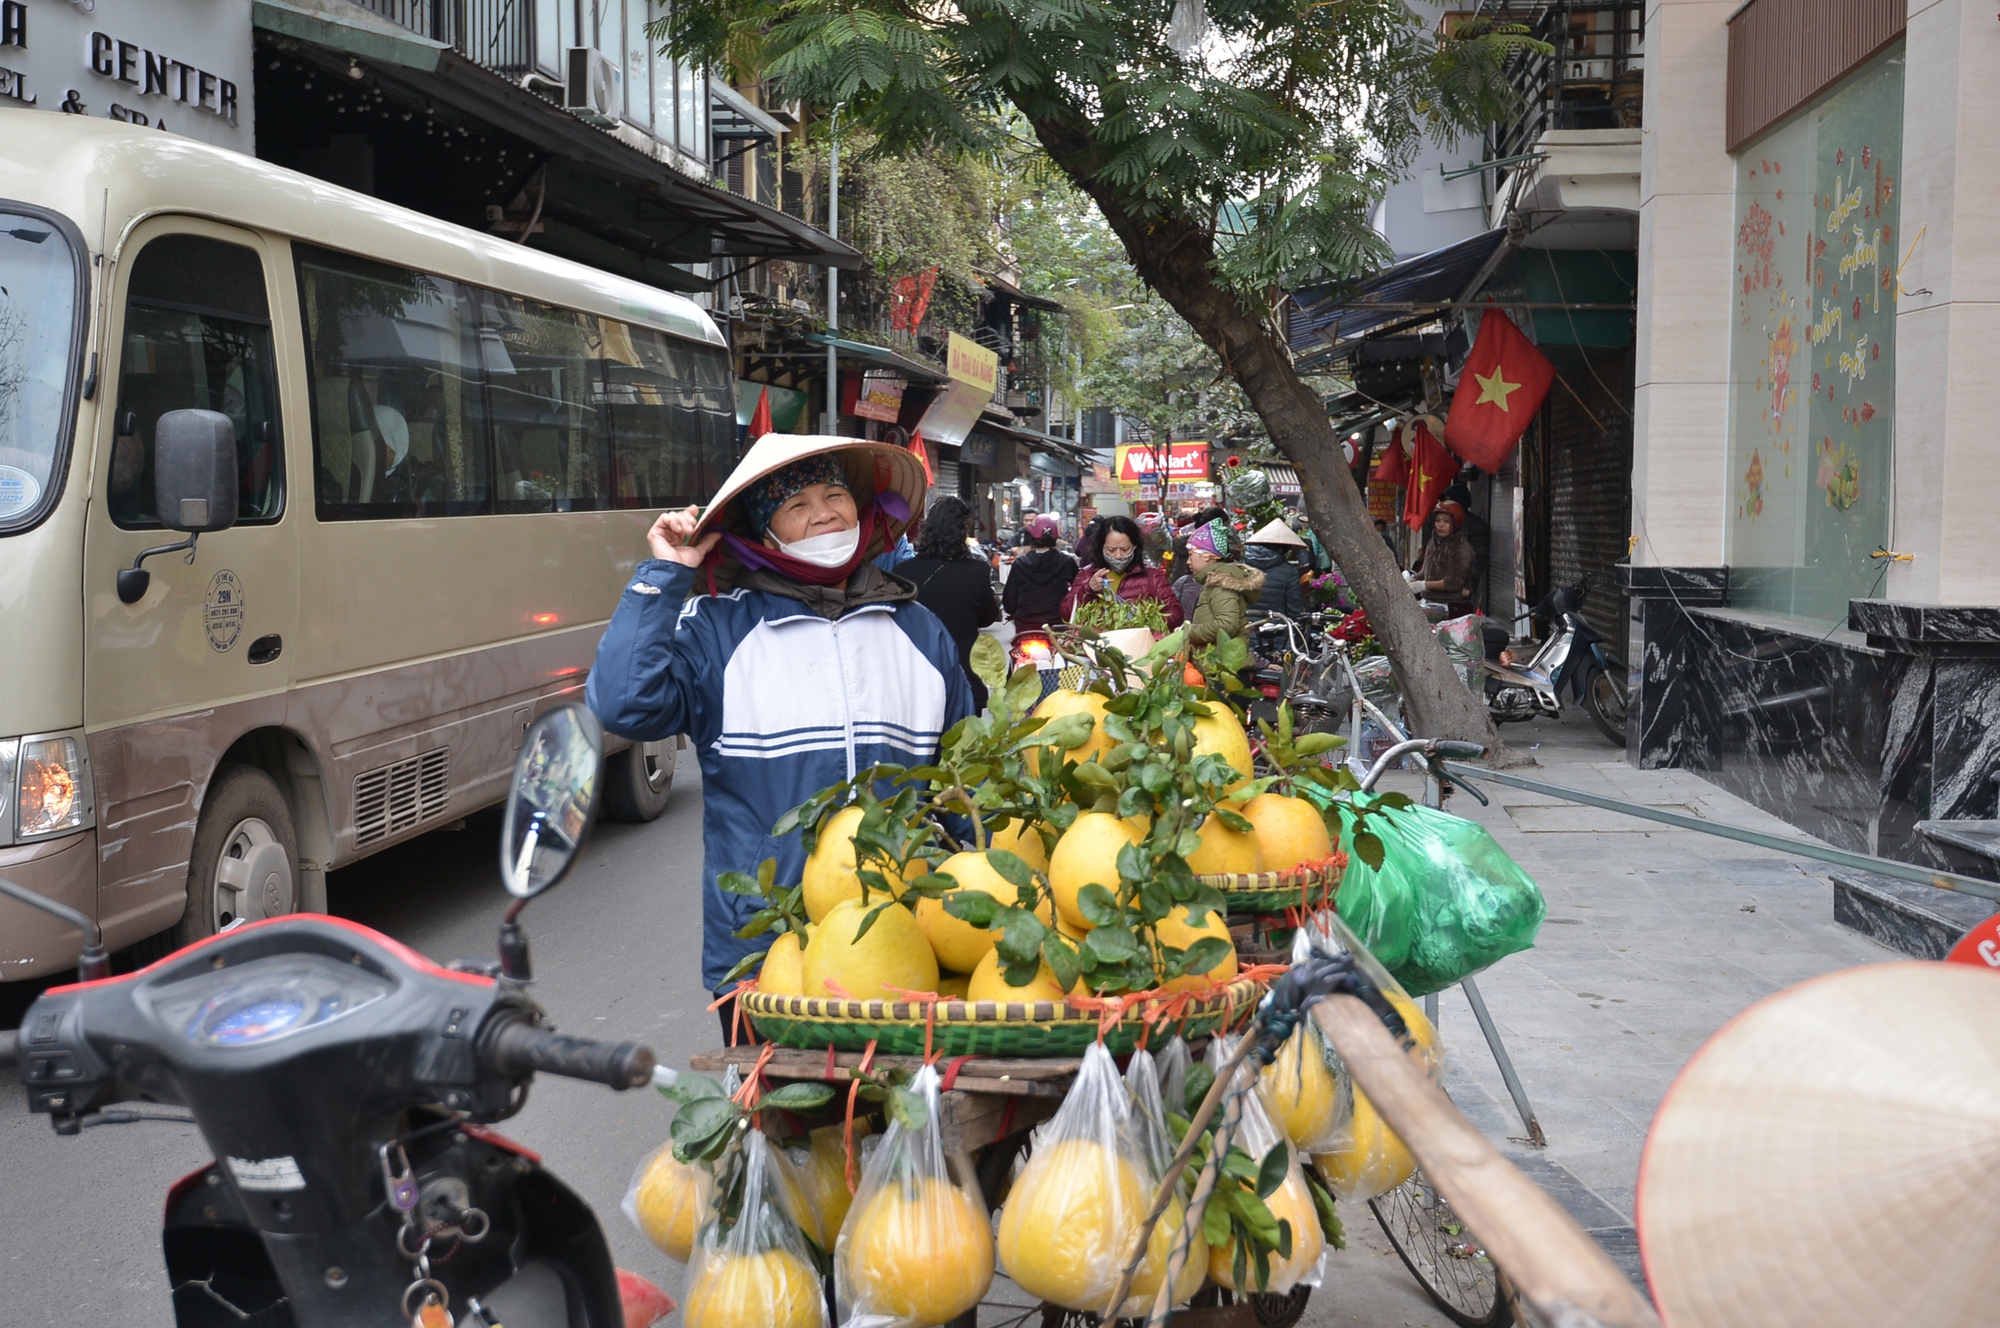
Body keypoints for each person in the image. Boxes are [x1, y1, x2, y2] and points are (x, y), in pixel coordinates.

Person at [587, 437, 976, 1041]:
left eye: (836, 495)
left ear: (861, 511)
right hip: (768, 953)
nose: (824, 512)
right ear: (764, 533)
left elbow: (964, 782)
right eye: (795, 504)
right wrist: (665, 575)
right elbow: (621, 704)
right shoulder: (717, 631)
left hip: (905, 944)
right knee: (780, 1129)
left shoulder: (920, 633)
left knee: (908, 1131)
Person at [898, 495, 1001, 709]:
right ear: (962, 530)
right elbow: (989, 617)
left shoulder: (902, 572)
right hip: (964, 680)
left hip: (917, 682)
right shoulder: (977, 571)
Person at [1062, 513, 1186, 628]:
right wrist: (1087, 589)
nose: (1118, 555)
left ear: (1135, 546)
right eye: (1111, 549)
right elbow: (1067, 614)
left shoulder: (1152, 576)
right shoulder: (1087, 574)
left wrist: (1144, 623)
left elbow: (1175, 613)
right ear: (1101, 547)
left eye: (1125, 549)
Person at [1183, 518, 1264, 646]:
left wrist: (1188, 631)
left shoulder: (1221, 581)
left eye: (1190, 555)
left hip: (1221, 660)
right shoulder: (1217, 578)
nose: (1188, 561)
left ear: (1207, 556)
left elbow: (1227, 625)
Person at [1003, 514, 1079, 633]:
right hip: (1057, 625)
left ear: (1032, 537)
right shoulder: (1066, 562)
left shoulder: (1020, 564)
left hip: (1026, 626)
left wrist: (1014, 613)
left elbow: (1009, 600)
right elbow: (1079, 590)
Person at [1416, 500, 1478, 618]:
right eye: (1438, 520)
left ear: (1456, 523)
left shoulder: (1460, 547)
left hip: (1452, 607)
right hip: (1429, 602)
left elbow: (1452, 582)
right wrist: (1414, 580)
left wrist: (1424, 585)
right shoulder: (1432, 542)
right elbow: (1426, 571)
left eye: (1446, 521)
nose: (1440, 525)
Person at [1242, 518, 1308, 619]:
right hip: (1277, 628)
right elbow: (1294, 609)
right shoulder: (1289, 571)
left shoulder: (1243, 566)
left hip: (1246, 627)